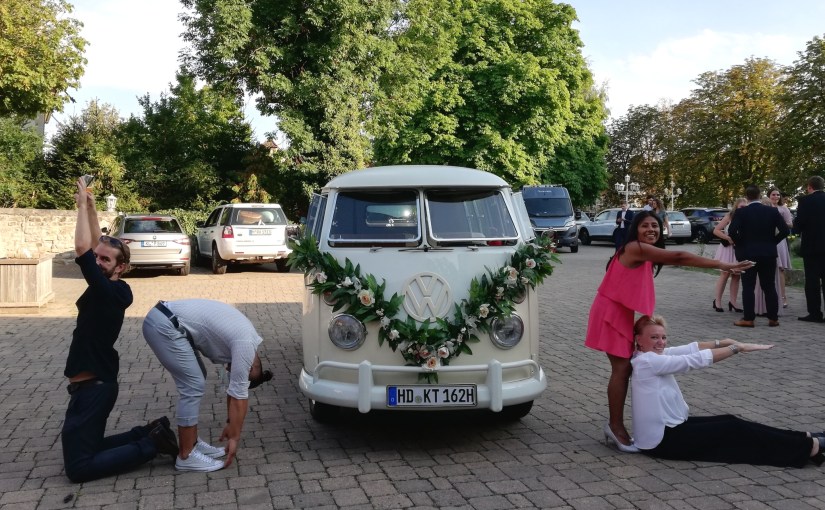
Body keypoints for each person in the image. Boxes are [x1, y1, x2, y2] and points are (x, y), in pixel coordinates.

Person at [585, 211, 754, 452]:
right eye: (645, 226)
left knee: (625, 367)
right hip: (610, 312)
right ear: (635, 229)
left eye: (655, 226)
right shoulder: (635, 247)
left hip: (618, 311)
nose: (651, 230)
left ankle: (629, 422)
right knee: (621, 368)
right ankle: (615, 426)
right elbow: (679, 256)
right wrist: (721, 264)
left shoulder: (641, 250)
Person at [62, 177, 178, 483]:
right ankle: (149, 432)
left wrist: (79, 210)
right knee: (92, 448)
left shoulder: (109, 291)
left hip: (94, 389)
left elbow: (80, 247)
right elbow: (95, 241)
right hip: (92, 387)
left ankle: (151, 444)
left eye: (105, 259)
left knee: (78, 468)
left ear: (121, 267)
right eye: (97, 258)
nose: (98, 262)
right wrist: (90, 204)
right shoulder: (112, 287)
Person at [630, 314, 825, 467]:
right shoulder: (648, 361)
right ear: (639, 339)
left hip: (669, 430)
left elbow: (690, 349)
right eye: (654, 337)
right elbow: (692, 360)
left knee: (730, 421)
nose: (661, 342)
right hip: (663, 440)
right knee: (734, 429)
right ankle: (809, 447)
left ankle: (805, 437)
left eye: (663, 337)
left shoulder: (649, 355)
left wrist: (721, 342)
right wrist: (736, 348)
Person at [142, 299, 273, 472]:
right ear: (250, 367)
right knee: (192, 384)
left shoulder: (246, 340)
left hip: (166, 319)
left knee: (198, 377)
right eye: (234, 371)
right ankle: (186, 456)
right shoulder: (245, 347)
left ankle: (193, 444)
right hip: (164, 325)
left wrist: (230, 422)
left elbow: (234, 390)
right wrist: (234, 437)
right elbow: (238, 395)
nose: (228, 370)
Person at [729, 184, 790, 327]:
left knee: (748, 286)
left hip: (747, 253)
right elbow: (785, 231)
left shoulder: (741, 212)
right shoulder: (772, 211)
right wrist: (772, 242)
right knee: (769, 286)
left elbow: (732, 231)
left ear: (747, 196)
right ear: (759, 195)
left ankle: (749, 318)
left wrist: (740, 244)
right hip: (768, 253)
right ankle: (773, 318)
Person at [793, 175, 825, 323]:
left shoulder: (805, 201)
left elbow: (799, 224)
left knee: (812, 281)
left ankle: (815, 313)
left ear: (809, 187)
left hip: (812, 247)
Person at [711, 198, 747, 313]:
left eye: (745, 207)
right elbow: (716, 230)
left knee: (737, 275)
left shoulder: (747, 218)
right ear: (736, 207)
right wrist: (727, 238)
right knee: (725, 274)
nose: (743, 209)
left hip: (739, 248)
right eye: (741, 207)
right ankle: (717, 301)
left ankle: (733, 301)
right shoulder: (729, 216)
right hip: (728, 248)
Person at [768, 187, 794, 308]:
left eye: (778, 195)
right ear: (769, 196)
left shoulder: (783, 209)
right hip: (767, 238)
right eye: (773, 195)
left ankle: (783, 297)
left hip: (779, 239)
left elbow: (790, 224)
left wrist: (781, 223)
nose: (776, 197)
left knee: (780, 269)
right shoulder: (765, 207)